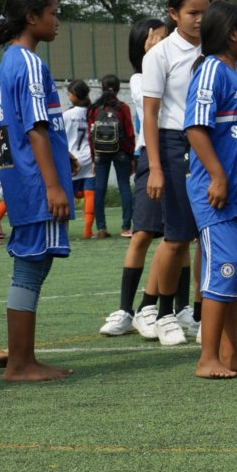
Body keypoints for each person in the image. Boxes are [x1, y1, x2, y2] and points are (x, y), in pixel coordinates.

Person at [0, 0, 76, 381]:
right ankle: (20, 363)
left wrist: (65, 155)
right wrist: (53, 184)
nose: (58, 21)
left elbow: (30, 126)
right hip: (35, 183)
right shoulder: (28, 62)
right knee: (30, 264)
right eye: (53, 13)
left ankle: (23, 359)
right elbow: (36, 129)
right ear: (32, 16)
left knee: (33, 263)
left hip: (24, 178)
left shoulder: (10, 62)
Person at [185, 0, 237, 379]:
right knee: (220, 273)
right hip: (219, 195)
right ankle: (207, 357)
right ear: (232, 35)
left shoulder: (236, 72)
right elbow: (195, 128)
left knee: (233, 279)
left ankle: (229, 353)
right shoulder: (211, 71)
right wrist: (217, 175)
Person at [143, 0, 209, 345]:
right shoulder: (160, 55)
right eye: (192, 13)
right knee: (177, 236)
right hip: (173, 145)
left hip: (210, 144)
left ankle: (201, 315)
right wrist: (155, 167)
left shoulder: (215, 50)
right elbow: (149, 115)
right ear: (173, 14)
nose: (200, 20)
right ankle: (164, 313)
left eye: (204, 12)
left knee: (208, 235)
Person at [100, 19, 171, 338]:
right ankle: (127, 309)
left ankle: (162, 308)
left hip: (179, 153)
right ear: (141, 45)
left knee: (177, 237)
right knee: (143, 233)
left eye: (164, 37)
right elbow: (155, 107)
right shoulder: (142, 77)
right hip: (150, 157)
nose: (161, 42)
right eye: (154, 38)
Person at [87, 74, 135, 239]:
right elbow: (129, 133)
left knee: (99, 188)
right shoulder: (123, 108)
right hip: (121, 151)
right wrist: (131, 156)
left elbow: (90, 134)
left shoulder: (94, 109)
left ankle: (101, 228)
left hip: (100, 153)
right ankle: (126, 227)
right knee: (124, 186)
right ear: (118, 88)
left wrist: (94, 157)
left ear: (101, 87)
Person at [62, 80, 95, 239]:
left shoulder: (67, 115)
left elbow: (59, 136)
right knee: (90, 194)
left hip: (72, 158)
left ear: (75, 96)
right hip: (89, 157)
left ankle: (63, 230)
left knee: (67, 195)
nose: (68, 96)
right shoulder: (92, 112)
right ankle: (88, 231)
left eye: (69, 94)